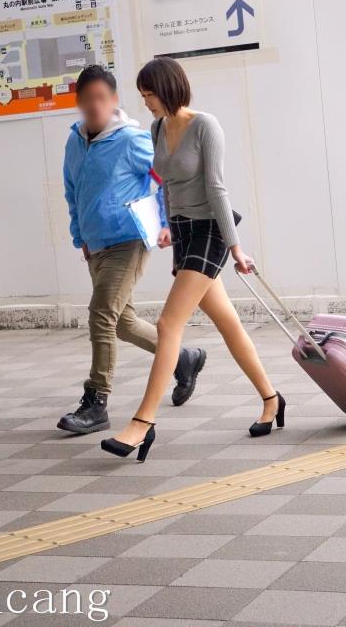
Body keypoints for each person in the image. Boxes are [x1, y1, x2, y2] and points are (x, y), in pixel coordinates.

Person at [101, 57, 285, 462]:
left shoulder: (205, 126)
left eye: (149, 94)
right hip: (184, 233)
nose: (145, 102)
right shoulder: (157, 127)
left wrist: (235, 248)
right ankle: (272, 398)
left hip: (210, 232)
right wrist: (167, 225)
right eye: (143, 95)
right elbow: (165, 183)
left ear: (168, 89)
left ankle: (143, 422)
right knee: (228, 322)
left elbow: (217, 189)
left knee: (168, 324)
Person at [57, 64, 206, 435]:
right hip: (96, 245)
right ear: (78, 103)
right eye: (87, 99)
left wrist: (165, 222)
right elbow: (72, 192)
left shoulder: (130, 140)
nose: (94, 105)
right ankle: (182, 358)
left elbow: (166, 176)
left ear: (113, 100)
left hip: (129, 240)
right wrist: (80, 236)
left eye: (101, 98)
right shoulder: (75, 141)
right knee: (122, 323)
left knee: (101, 315)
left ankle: (96, 402)